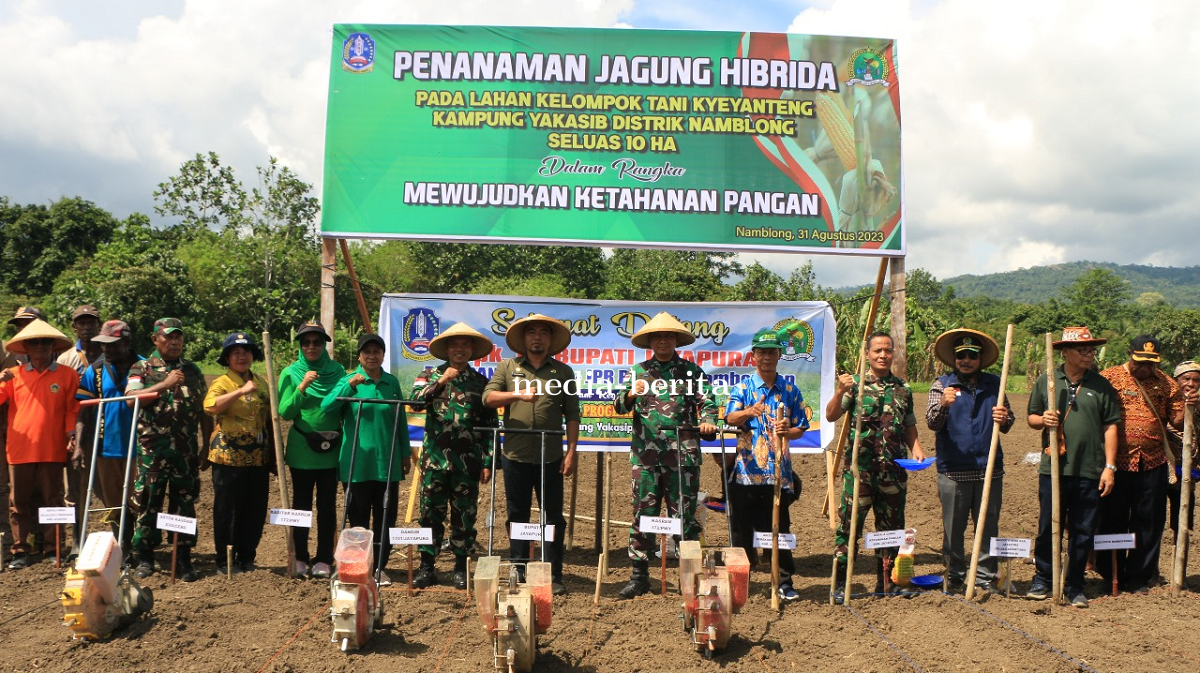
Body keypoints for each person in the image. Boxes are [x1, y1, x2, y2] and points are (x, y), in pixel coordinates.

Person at [612, 312, 718, 600]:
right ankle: (639, 576)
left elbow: (708, 402)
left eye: (668, 336)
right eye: (657, 337)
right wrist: (631, 395)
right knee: (643, 516)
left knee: (685, 519)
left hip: (682, 459)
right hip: (646, 459)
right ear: (649, 341)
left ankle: (692, 579)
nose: (663, 341)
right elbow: (619, 406)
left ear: (676, 341)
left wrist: (708, 420)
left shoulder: (692, 372)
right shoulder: (638, 371)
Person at [483, 314, 580, 595]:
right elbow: (488, 399)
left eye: (543, 333)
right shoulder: (507, 367)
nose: (537, 337)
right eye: (531, 332)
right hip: (514, 455)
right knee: (517, 514)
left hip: (551, 456)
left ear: (550, 340)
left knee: (553, 517)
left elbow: (572, 414)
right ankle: (519, 568)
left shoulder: (563, 372)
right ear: (523, 339)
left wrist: (571, 452)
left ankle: (553, 573)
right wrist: (518, 394)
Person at [825, 331, 925, 601]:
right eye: (877, 350)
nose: (883, 355)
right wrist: (839, 391)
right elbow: (831, 414)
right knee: (849, 528)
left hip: (893, 472)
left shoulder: (903, 388)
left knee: (891, 530)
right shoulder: (855, 385)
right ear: (867, 354)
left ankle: (889, 583)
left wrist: (916, 448)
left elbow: (909, 424)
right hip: (860, 474)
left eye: (888, 350)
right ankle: (840, 583)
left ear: (893, 354)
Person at [1026, 326, 1120, 608]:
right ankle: (1043, 578)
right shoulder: (1047, 380)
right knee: (1047, 526)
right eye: (1083, 349)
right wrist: (1044, 419)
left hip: (1089, 470)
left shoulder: (1100, 385)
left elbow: (1111, 426)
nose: (1089, 354)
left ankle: (1075, 584)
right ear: (1065, 352)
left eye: (1091, 349)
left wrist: (1110, 467)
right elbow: (1031, 418)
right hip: (1054, 468)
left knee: (1083, 530)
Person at [411, 323, 499, 590]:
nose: (459, 349)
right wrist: (441, 381)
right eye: (454, 345)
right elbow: (415, 402)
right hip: (434, 460)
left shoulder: (481, 383)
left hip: (467, 461)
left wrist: (487, 462)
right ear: (446, 349)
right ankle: (427, 567)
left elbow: (490, 426)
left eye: (465, 345)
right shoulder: (428, 375)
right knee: (429, 514)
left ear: (472, 350)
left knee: (464, 514)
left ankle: (461, 567)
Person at [926, 329, 1014, 594]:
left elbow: (1008, 422)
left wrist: (1004, 417)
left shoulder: (994, 384)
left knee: (988, 526)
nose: (966, 360)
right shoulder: (942, 384)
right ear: (954, 358)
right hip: (953, 470)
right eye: (961, 355)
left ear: (980, 359)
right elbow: (932, 423)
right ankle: (954, 575)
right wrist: (943, 404)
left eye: (971, 355)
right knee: (953, 528)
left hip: (989, 469)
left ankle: (986, 575)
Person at [723, 327, 808, 602]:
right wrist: (749, 411)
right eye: (762, 352)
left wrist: (788, 430)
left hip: (778, 474)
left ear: (780, 354)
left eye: (772, 351)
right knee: (741, 532)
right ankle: (740, 583)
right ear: (753, 356)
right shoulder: (743, 388)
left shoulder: (790, 390)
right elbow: (729, 418)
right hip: (746, 474)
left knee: (779, 529)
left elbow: (801, 428)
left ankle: (784, 582)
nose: (767, 357)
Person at [1095, 335, 1185, 593]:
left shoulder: (1167, 383)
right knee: (1112, 519)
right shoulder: (1108, 378)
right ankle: (1111, 575)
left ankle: (1138, 577)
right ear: (1129, 354)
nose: (1145, 368)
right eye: (1140, 362)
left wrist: (1187, 407)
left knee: (1148, 522)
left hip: (1152, 463)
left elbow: (1177, 421)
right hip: (1116, 464)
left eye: (1151, 363)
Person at [125, 318, 212, 581]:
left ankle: (183, 556)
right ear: (155, 340)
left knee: (184, 503)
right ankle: (145, 556)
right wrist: (165, 384)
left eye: (179, 338)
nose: (174, 342)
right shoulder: (141, 367)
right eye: (168, 337)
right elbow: (131, 400)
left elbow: (204, 411)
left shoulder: (193, 370)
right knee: (149, 502)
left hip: (185, 451)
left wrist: (207, 444)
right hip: (153, 451)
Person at [321, 333, 411, 583]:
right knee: (358, 518)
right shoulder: (349, 380)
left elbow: (399, 419)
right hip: (356, 464)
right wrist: (348, 386)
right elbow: (327, 406)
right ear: (360, 356)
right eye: (367, 352)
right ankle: (361, 566)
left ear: (382, 355)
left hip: (387, 461)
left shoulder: (391, 383)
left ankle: (380, 566)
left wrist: (404, 452)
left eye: (377, 351)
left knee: (386, 516)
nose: (372, 356)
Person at [0, 319, 79, 569]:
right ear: (27, 347)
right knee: (19, 503)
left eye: (45, 342)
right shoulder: (13, 375)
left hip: (52, 448)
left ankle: (53, 548)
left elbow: (71, 410)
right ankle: (20, 550)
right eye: (35, 342)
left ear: (53, 346)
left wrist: (71, 436)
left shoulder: (67, 375)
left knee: (52, 501)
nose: (41, 346)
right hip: (19, 449)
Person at [278, 321, 344, 579]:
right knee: (301, 506)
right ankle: (300, 557)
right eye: (306, 342)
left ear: (324, 344)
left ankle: (325, 559)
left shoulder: (338, 371)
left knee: (327, 506)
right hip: (302, 450)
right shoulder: (291, 373)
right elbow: (285, 412)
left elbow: (344, 405)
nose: (312, 347)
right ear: (300, 346)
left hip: (330, 450)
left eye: (317, 342)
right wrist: (302, 387)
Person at [203, 333, 272, 577]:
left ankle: (247, 557)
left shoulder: (262, 381)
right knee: (227, 509)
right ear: (227, 358)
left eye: (246, 351)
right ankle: (224, 559)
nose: (241, 356)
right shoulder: (222, 382)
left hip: (258, 457)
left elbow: (270, 414)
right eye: (235, 352)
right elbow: (210, 406)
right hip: (228, 457)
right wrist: (241, 391)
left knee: (254, 509)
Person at [74, 320, 143, 553]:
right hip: (106, 446)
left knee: (140, 500)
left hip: (141, 446)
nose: (107, 350)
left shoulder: (145, 366)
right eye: (103, 345)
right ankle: (123, 545)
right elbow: (84, 409)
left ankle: (142, 548)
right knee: (114, 503)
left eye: (112, 345)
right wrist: (79, 446)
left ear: (126, 342)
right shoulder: (95, 370)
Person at [0, 306, 46, 557]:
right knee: (14, 493)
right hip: (12, 435)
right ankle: (14, 544)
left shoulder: (52, 357)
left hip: (41, 437)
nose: (23, 329)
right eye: (19, 325)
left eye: (28, 323)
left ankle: (45, 541)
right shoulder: (10, 358)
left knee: (44, 490)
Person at [58, 305, 103, 556]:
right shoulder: (65, 359)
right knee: (74, 489)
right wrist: (70, 434)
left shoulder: (110, 353)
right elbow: (64, 401)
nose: (87, 327)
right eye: (81, 322)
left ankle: (114, 540)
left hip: (106, 428)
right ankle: (77, 540)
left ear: (99, 325)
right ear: (74, 327)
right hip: (76, 430)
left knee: (108, 487)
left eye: (91, 322)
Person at [1168, 360, 1200, 581]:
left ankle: (1180, 574)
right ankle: (1146, 572)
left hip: (1189, 472)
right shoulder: (1165, 401)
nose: (1190, 384)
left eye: (1196, 380)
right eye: (1185, 379)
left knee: (1182, 523)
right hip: (1162, 468)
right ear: (1176, 380)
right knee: (1150, 519)